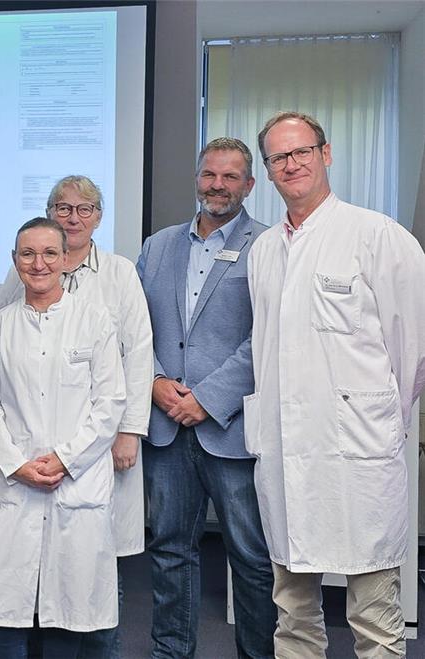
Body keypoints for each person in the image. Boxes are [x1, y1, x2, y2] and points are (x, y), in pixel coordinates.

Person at [247, 111, 425, 658]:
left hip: (359, 457)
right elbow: (267, 354)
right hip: (286, 455)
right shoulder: (263, 252)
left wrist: (379, 421)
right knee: (293, 613)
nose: (292, 164)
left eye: (302, 151)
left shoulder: (378, 236)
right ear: (269, 172)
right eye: (279, 157)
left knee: (374, 615)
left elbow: (411, 350)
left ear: (326, 154)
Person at [0, 175, 153, 656]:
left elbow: (138, 352)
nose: (73, 217)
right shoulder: (24, 272)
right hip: (34, 445)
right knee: (37, 565)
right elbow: (7, 345)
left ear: (99, 217)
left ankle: (104, 651)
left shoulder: (120, 272)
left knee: (97, 561)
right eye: (62, 208)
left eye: (85, 209)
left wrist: (129, 430)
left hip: (102, 441)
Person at [136, 137, 275, 658]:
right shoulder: (157, 245)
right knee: (170, 552)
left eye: (230, 176)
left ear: (249, 185)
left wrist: (209, 398)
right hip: (167, 426)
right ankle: (171, 653)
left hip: (230, 428)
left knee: (251, 557)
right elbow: (133, 329)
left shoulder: (269, 246)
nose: (218, 185)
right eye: (209, 175)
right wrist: (152, 381)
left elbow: (266, 339)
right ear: (197, 178)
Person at [0, 216, 126, 658]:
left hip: (75, 481)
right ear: (14, 260)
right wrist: (17, 463)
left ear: (64, 260)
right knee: (6, 602)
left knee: (68, 603)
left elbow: (110, 402)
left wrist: (64, 459)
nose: (38, 263)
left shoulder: (94, 320)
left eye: (49, 253)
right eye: (27, 254)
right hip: (15, 482)